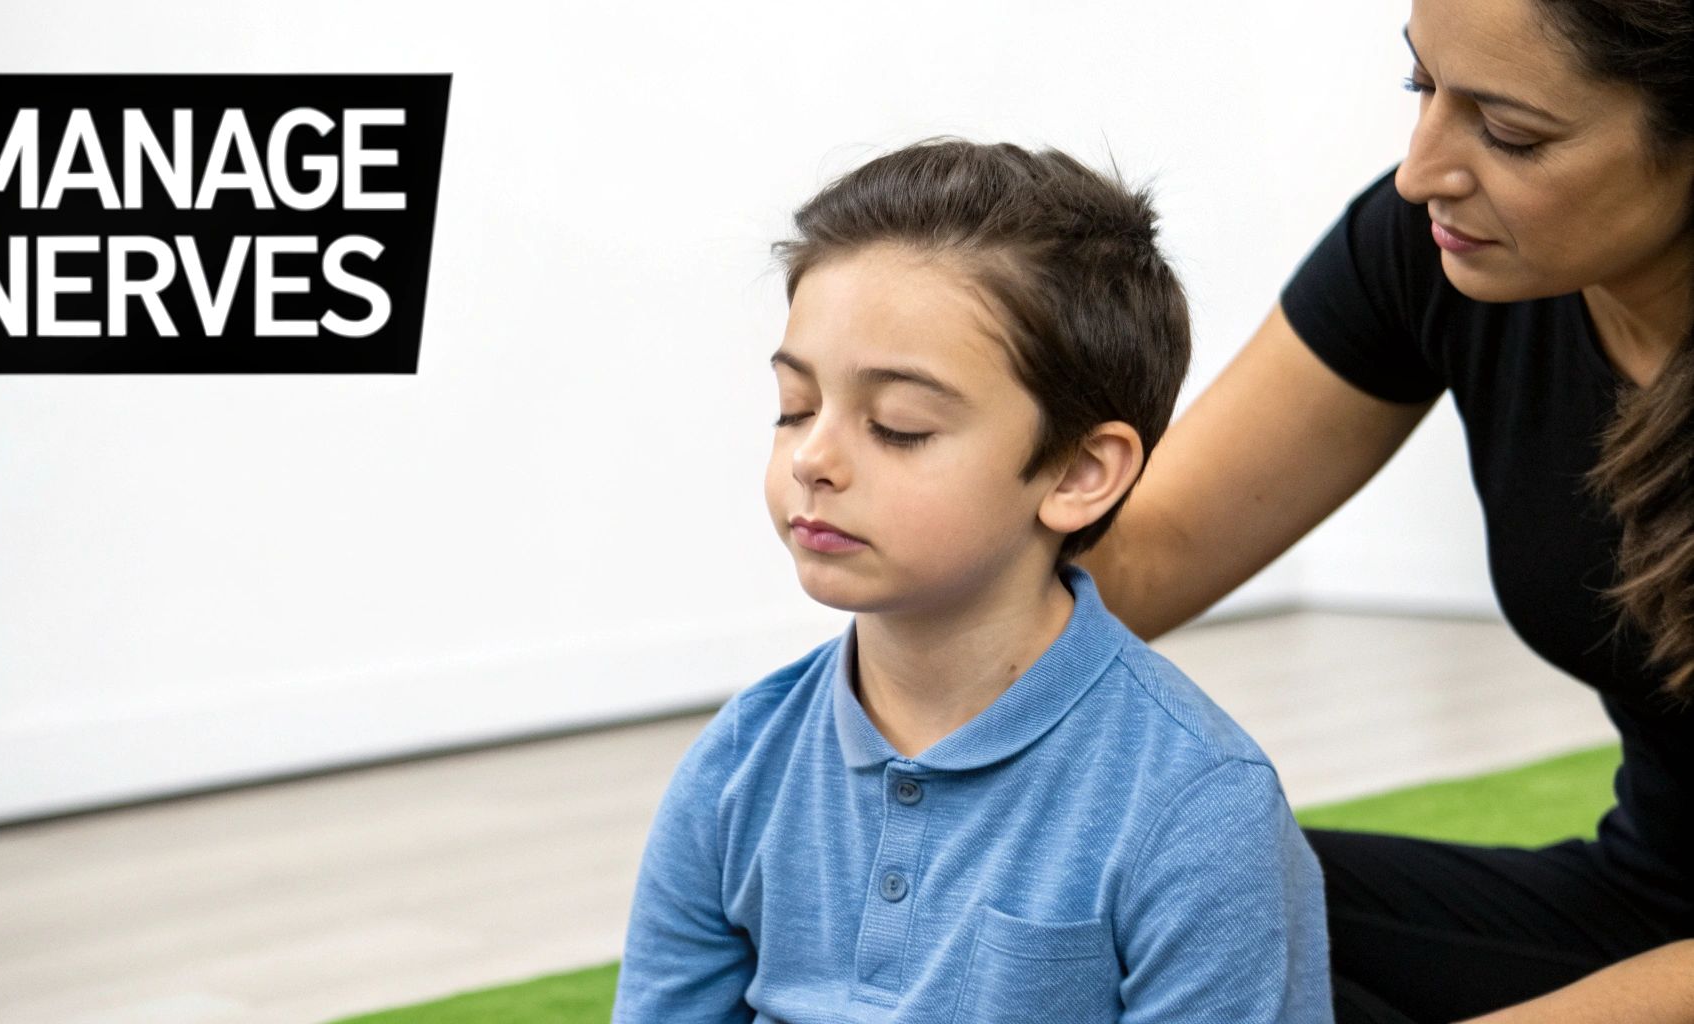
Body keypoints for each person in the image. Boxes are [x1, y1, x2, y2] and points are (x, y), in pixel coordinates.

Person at [611, 139, 1331, 1023]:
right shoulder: (736, 765)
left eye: (899, 426)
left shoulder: (1199, 805)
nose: (813, 457)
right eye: (795, 407)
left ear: (1077, 473)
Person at [1078, 0, 1694, 1021]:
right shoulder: (1435, 248)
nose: (1420, 171)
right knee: (1118, 911)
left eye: (1507, 134)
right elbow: (1146, 551)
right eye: (1421, 85)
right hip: (1645, 904)